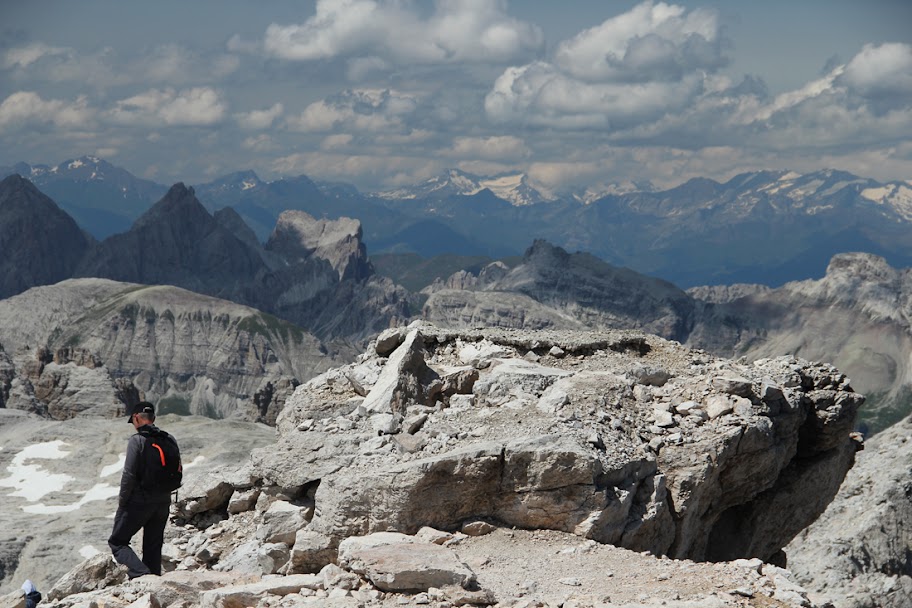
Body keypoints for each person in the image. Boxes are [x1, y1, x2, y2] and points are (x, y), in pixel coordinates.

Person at [108, 401, 176, 578]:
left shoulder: (137, 441)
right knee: (153, 545)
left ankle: (141, 575)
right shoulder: (169, 438)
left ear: (136, 418)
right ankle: (154, 581)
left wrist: (123, 502)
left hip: (140, 502)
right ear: (153, 418)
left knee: (117, 542)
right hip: (164, 500)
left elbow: (129, 475)